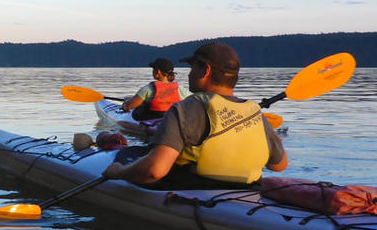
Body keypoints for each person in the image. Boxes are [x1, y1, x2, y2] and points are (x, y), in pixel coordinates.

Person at [103, 42, 287, 187]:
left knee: (130, 154)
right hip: (247, 194)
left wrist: (119, 172)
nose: (190, 74)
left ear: (205, 70)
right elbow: (279, 165)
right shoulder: (255, 113)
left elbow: (154, 171)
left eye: (192, 68)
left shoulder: (183, 110)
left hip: (191, 192)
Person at [120, 57, 190, 120]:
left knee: (137, 110)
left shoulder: (148, 89)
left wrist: (125, 105)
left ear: (158, 72)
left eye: (153, 69)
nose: (152, 71)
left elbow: (129, 106)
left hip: (152, 119)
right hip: (172, 119)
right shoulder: (180, 89)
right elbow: (192, 101)